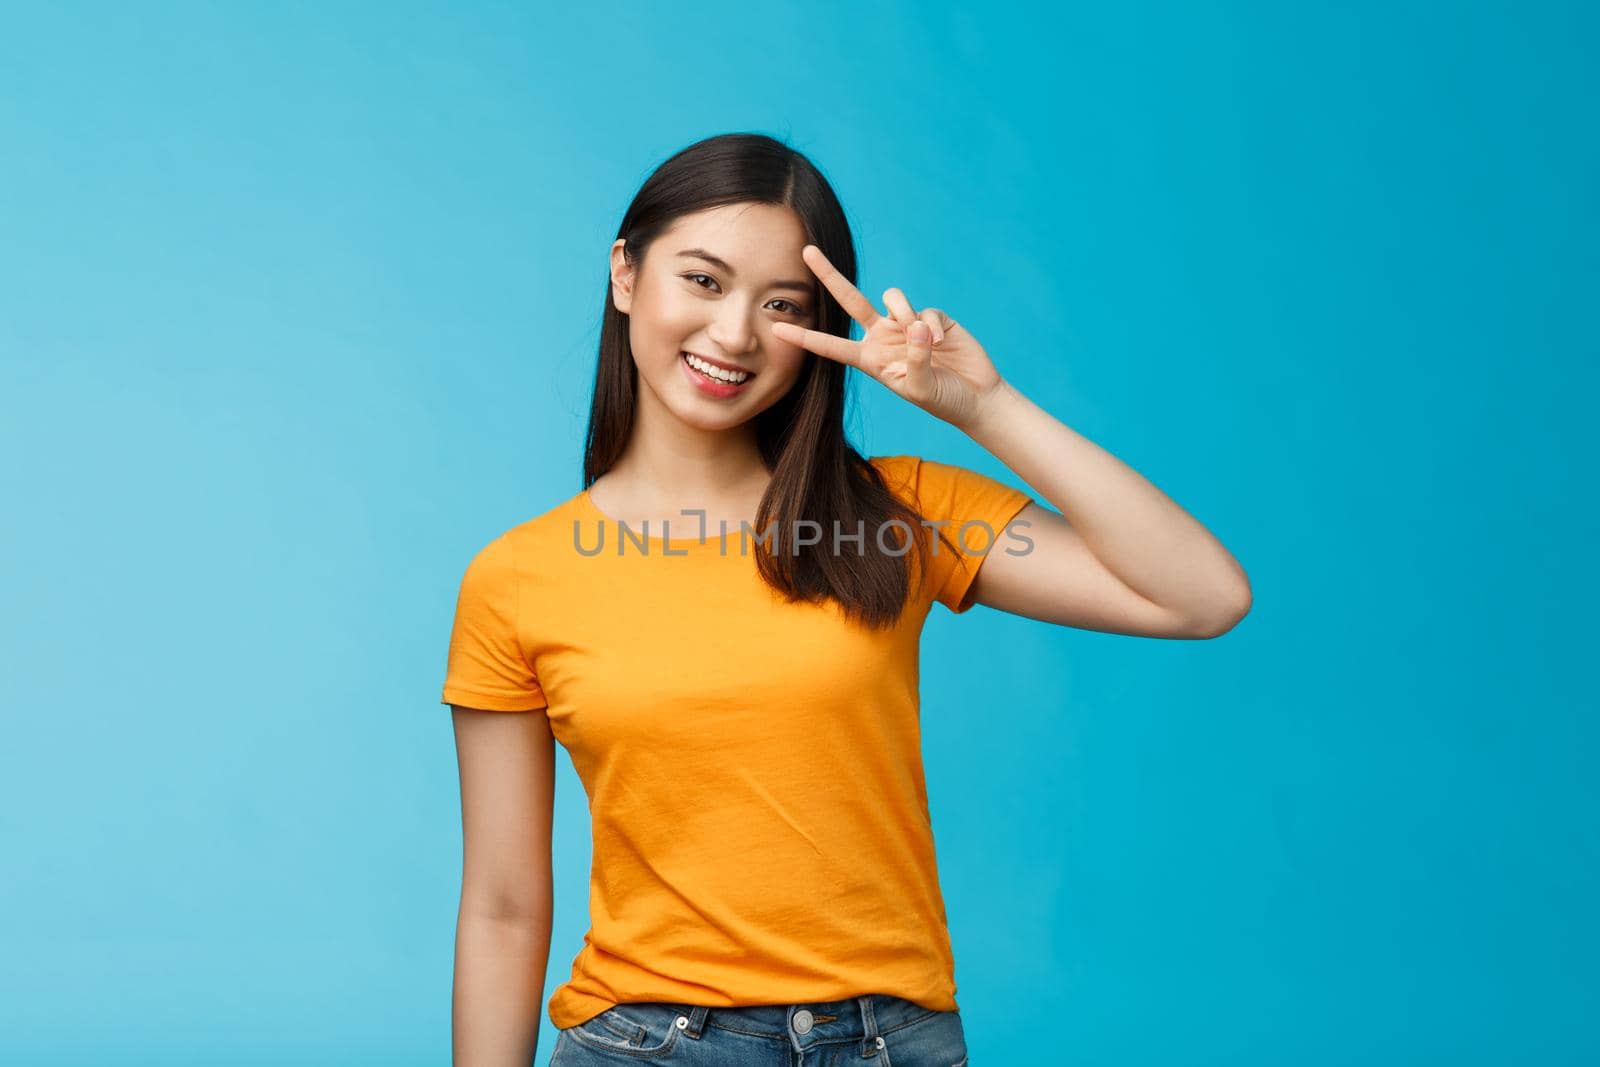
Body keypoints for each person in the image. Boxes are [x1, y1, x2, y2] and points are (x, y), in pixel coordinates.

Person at [441, 132, 1251, 1066]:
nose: (737, 334)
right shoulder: (517, 578)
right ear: (625, 272)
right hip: (652, 1042)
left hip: (890, 1042)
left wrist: (985, 410)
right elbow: (503, 909)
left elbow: (1203, 595)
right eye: (703, 280)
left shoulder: (896, 516)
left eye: (782, 304)